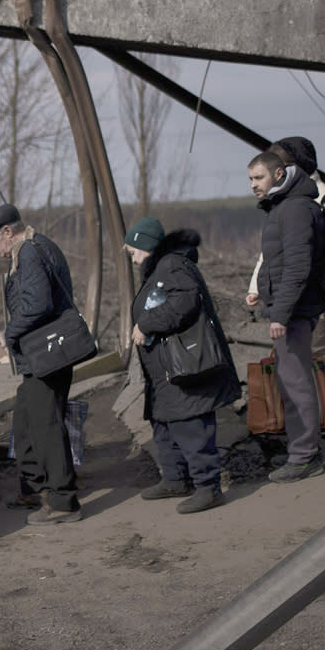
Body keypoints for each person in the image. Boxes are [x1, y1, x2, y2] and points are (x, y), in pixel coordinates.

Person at [0, 204, 83, 522]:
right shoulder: (38, 246)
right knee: (26, 421)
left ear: (8, 232)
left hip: (46, 355)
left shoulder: (29, 253)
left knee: (46, 426)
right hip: (43, 355)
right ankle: (35, 487)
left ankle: (64, 500)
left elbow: (38, 304)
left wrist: (9, 334)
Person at [125, 218, 233, 515]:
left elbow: (183, 304)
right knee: (165, 422)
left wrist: (145, 324)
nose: (133, 258)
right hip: (165, 369)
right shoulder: (162, 268)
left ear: (147, 245)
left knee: (190, 424)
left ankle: (208, 488)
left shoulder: (171, 265)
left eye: (134, 251)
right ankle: (175, 479)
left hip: (184, 365)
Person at [249, 145, 325, 482]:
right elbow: (279, 261)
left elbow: (298, 266)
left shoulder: (294, 209)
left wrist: (279, 314)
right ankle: (303, 448)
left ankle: (305, 456)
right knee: (291, 377)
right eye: (251, 178)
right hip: (292, 307)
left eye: (258, 177)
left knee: (295, 381)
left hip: (295, 310)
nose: (253, 184)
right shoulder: (283, 206)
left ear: (279, 174)